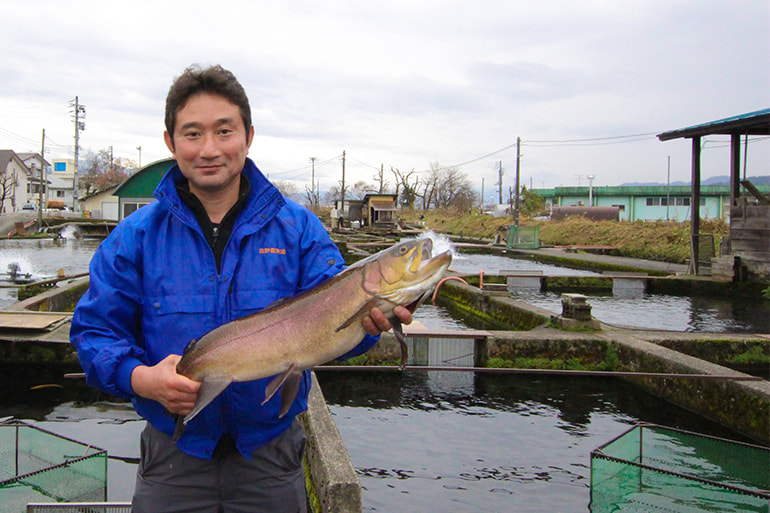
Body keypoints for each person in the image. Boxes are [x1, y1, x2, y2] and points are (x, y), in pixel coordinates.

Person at [70, 64, 411, 513]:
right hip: (174, 458)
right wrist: (143, 379)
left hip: (270, 462)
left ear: (248, 136)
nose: (209, 149)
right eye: (192, 134)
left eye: (224, 131)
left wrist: (368, 328)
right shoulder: (134, 239)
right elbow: (94, 335)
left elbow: (336, 335)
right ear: (171, 142)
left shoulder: (300, 231)